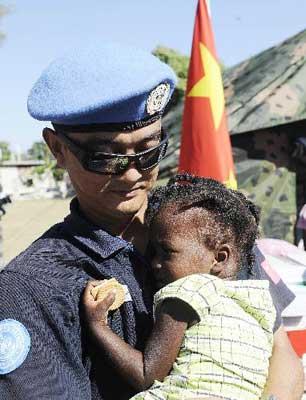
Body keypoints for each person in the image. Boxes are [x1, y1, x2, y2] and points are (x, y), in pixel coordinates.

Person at [0, 43, 303, 400]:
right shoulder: (32, 287)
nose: (131, 175)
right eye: (105, 158)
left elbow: (283, 355)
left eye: (148, 152)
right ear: (57, 149)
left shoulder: (211, 223)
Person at [82, 174, 276, 400]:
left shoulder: (187, 292)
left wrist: (97, 325)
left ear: (219, 258)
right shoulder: (258, 305)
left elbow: (147, 374)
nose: (154, 263)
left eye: (167, 252)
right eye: (153, 251)